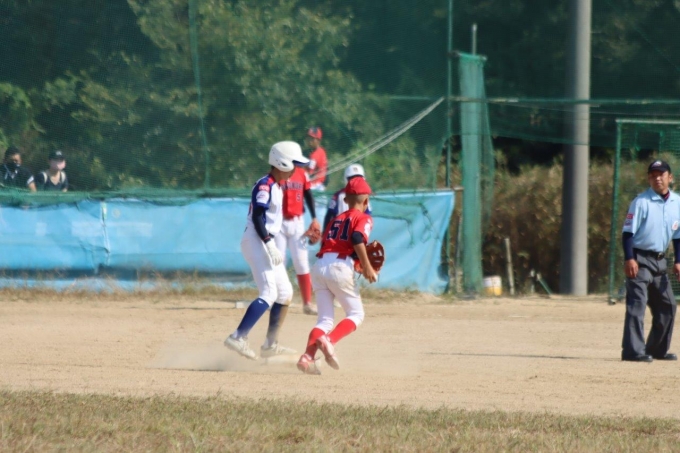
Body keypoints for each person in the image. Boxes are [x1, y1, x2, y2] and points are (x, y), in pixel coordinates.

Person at [224, 141, 310, 360]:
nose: (296, 169)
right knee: (269, 292)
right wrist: (269, 243)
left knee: (285, 292)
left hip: (264, 240)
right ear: (282, 162)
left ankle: (270, 346)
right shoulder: (266, 185)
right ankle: (238, 337)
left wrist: (269, 242)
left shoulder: (277, 186)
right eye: (294, 164)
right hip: (257, 240)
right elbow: (257, 216)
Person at [297, 177, 378, 375]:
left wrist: (356, 262)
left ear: (346, 199)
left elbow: (334, 245)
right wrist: (367, 266)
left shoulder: (336, 220)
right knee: (356, 314)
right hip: (339, 267)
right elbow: (357, 237)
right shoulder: (364, 218)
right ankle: (329, 340)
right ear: (366, 201)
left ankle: (307, 357)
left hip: (320, 266)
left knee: (324, 320)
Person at [621, 159, 680, 362]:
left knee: (668, 305)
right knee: (637, 303)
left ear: (670, 177)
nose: (657, 178)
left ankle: (656, 349)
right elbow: (627, 233)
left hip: (660, 261)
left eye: (661, 174)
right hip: (640, 259)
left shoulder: (677, 202)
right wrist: (629, 258)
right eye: (652, 175)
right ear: (648, 179)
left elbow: (678, 236)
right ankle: (633, 351)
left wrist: (678, 260)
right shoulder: (641, 202)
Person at [277, 166, 321, 316]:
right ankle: (278, 301)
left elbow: (308, 195)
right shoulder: (275, 174)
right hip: (278, 222)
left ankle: (307, 304)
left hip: (297, 222)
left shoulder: (302, 174)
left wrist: (314, 218)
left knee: (301, 262)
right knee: (278, 262)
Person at [323, 163, 372, 232]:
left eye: (358, 178)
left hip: (354, 232)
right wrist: (325, 233)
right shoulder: (338, 196)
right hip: (341, 233)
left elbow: (367, 216)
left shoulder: (364, 196)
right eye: (352, 178)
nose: (355, 181)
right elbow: (329, 215)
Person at [304, 127, 328, 191]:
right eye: (308, 138)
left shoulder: (315, 155)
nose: (309, 141)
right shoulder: (322, 151)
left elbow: (309, 173)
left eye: (312, 138)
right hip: (320, 186)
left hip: (315, 186)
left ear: (318, 140)